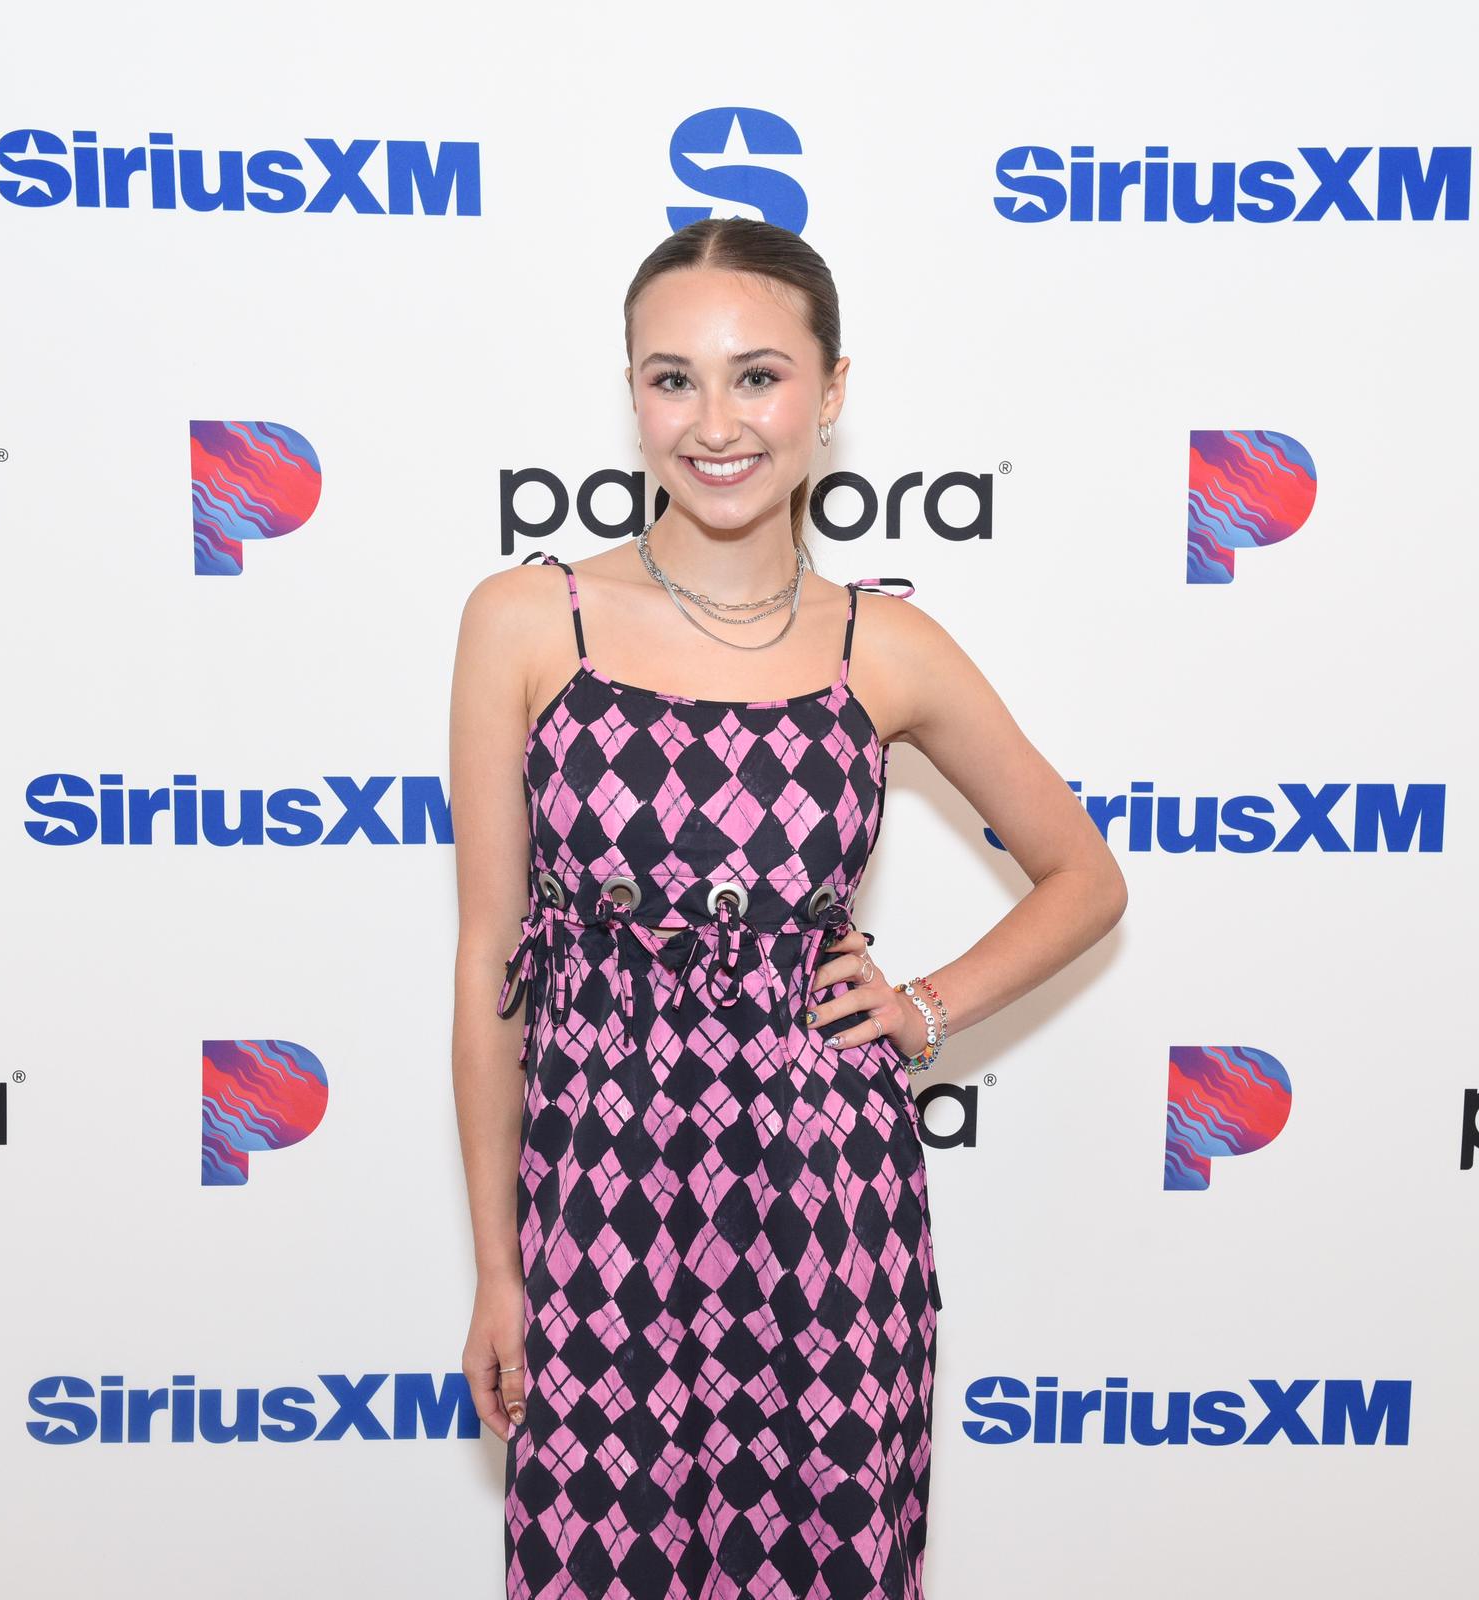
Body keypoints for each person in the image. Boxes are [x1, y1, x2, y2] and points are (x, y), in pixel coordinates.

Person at [449, 217, 1126, 1599]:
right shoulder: (527, 621)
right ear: (630, 392)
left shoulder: (890, 645)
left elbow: (1086, 879)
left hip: (823, 1203)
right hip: (596, 1198)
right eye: (671, 378)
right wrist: (497, 1268)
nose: (715, 422)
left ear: (828, 393)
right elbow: (486, 969)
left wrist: (925, 1004)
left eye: (757, 377)